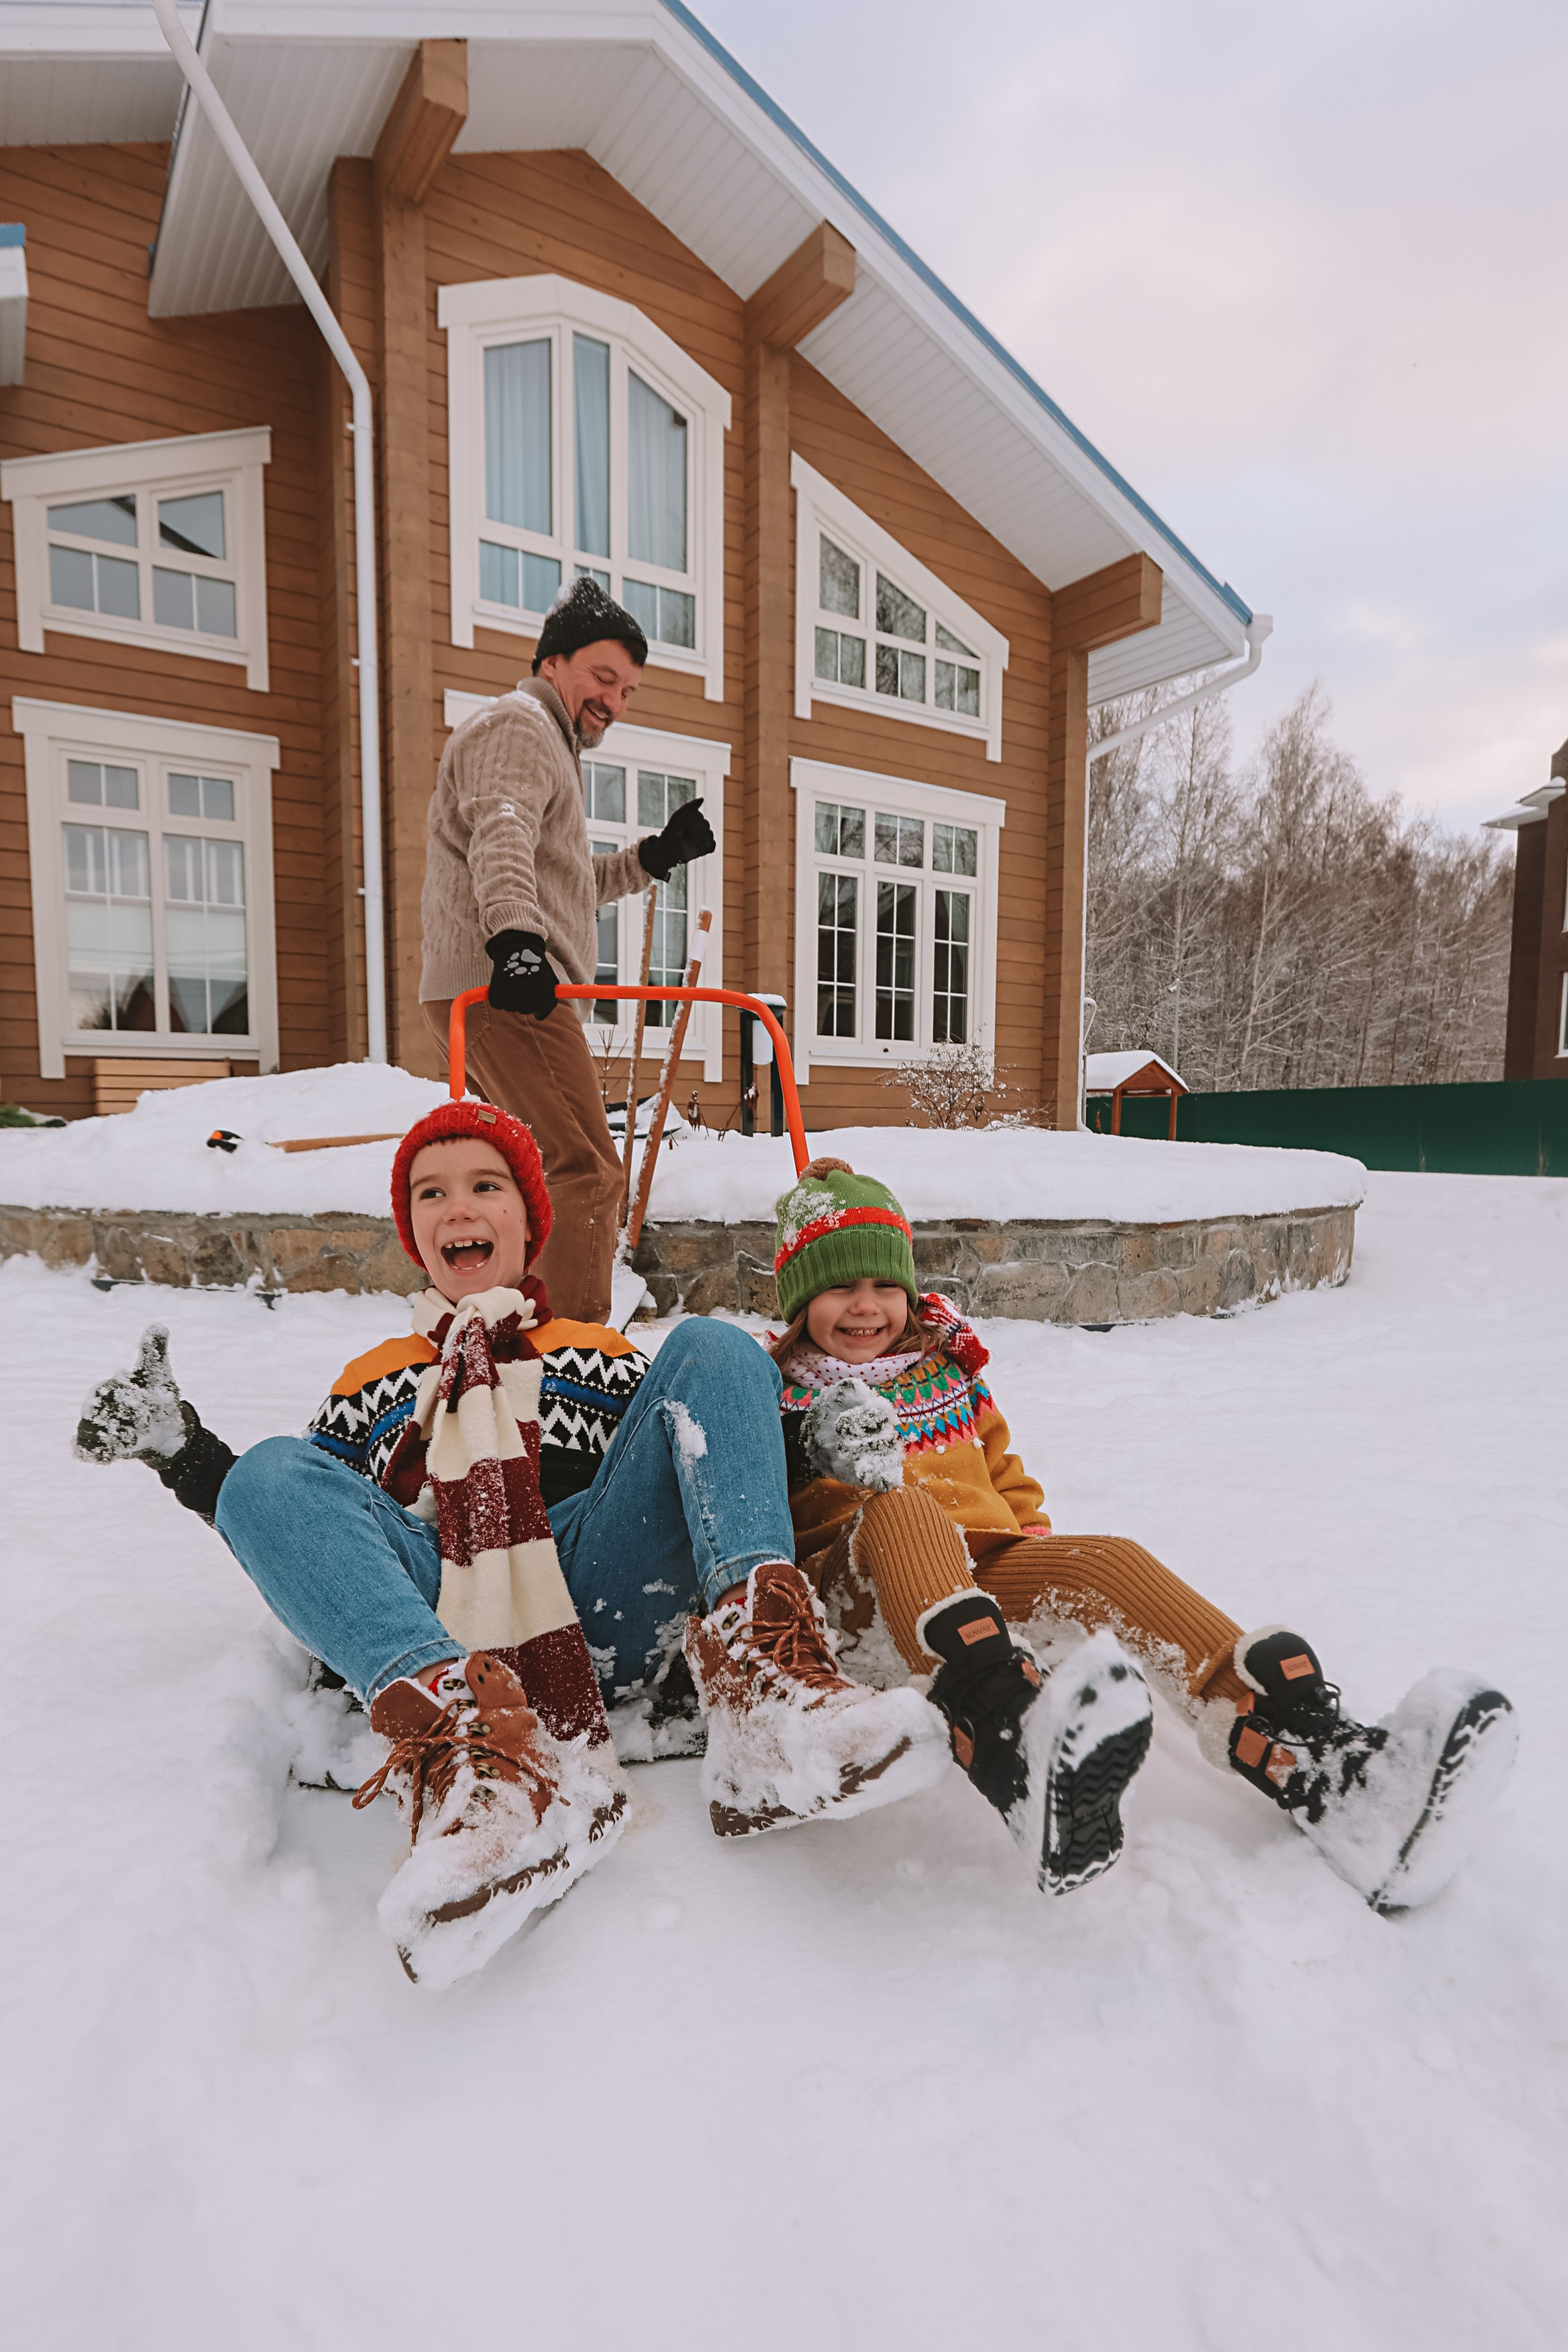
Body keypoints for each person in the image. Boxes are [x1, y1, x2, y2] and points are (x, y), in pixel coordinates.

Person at [74, 1101, 943, 1990]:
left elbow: (698, 1456)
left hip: (605, 1584)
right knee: (268, 1472)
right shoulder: (370, 1379)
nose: (459, 1207)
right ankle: (483, 1770)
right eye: (431, 1192)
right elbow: (310, 1540)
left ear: (530, 1221)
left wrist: (810, 1445)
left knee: (719, 1351)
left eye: (487, 1186)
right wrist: (187, 1455)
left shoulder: (599, 1353)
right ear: (413, 1230)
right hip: (438, 1605)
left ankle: (767, 1697)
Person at [751, 1155, 1518, 1915]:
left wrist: (1038, 1548)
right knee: (906, 1507)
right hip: (864, 1605)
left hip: (978, 1586)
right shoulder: (772, 1392)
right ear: (799, 1298)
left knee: (1106, 1559)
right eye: (839, 1286)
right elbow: (755, 1517)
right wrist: (806, 1451)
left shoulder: (949, 1371)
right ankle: (1005, 1741)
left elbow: (1005, 1478)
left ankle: (1317, 1761)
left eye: (886, 1284)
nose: (866, 1306)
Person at [419, 575, 715, 1322]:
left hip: (500, 982)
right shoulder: (519, 727)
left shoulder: (545, 741)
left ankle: (507, 1332)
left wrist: (655, 856)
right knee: (585, 1168)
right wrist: (517, 941)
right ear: (553, 662)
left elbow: (567, 885)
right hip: (507, 984)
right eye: (603, 678)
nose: (614, 701)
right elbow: (504, 831)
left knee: (522, 1175)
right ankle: (576, 1359)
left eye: (629, 691)